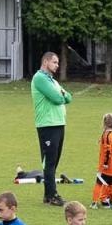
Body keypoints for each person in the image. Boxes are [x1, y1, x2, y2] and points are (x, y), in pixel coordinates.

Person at [31, 51, 71, 206]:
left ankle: (50, 194)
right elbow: (57, 98)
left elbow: (69, 97)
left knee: (54, 161)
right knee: (49, 161)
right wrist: (61, 96)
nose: (57, 65)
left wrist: (62, 95)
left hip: (58, 123)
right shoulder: (40, 78)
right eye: (54, 62)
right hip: (47, 124)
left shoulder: (52, 81)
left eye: (58, 62)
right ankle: (51, 195)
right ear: (46, 61)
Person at [92, 113, 112, 209]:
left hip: (107, 165)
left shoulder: (107, 135)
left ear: (104, 123)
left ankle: (94, 202)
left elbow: (108, 150)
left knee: (98, 183)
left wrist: (105, 163)